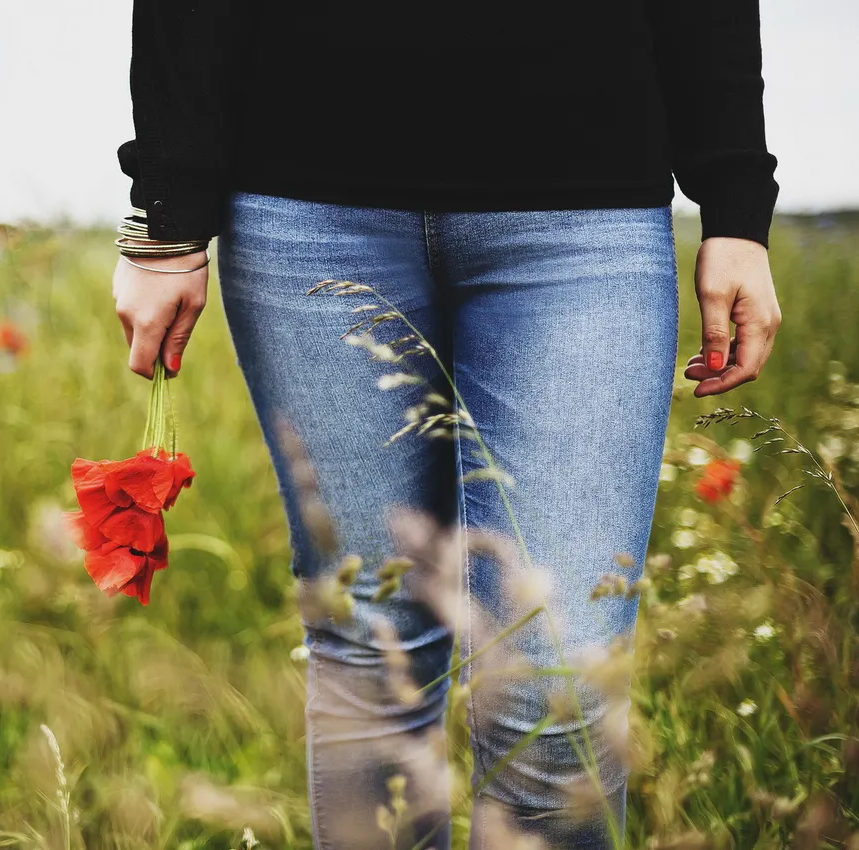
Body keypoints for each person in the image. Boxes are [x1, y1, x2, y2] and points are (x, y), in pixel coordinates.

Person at [109, 3, 781, 848]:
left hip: (584, 215)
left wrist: (735, 201)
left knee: (555, 683)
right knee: (372, 647)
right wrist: (165, 215)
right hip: (305, 205)